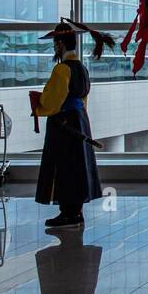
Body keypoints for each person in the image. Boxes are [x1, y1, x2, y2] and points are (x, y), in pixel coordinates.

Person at [33, 18, 112, 229]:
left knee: (65, 166)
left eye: (55, 44)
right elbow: (83, 97)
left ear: (60, 44)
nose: (54, 47)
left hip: (63, 122)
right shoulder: (82, 69)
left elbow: (52, 101)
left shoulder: (62, 70)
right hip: (79, 119)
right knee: (78, 165)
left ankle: (68, 213)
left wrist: (38, 105)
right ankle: (75, 212)